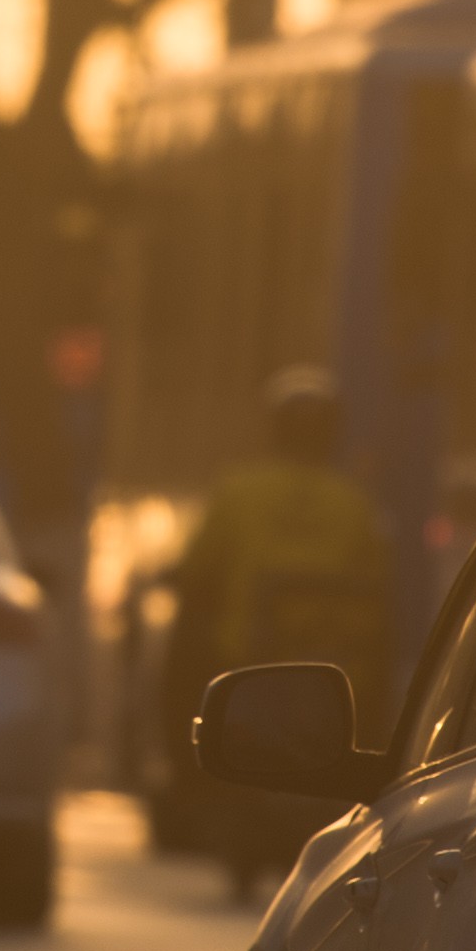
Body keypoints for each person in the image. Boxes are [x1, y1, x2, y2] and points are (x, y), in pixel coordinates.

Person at [162, 368, 393, 890]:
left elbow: (199, 571)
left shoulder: (239, 491)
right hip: (340, 665)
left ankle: (186, 780)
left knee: (180, 683)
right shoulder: (354, 504)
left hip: (247, 655)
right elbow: (376, 585)